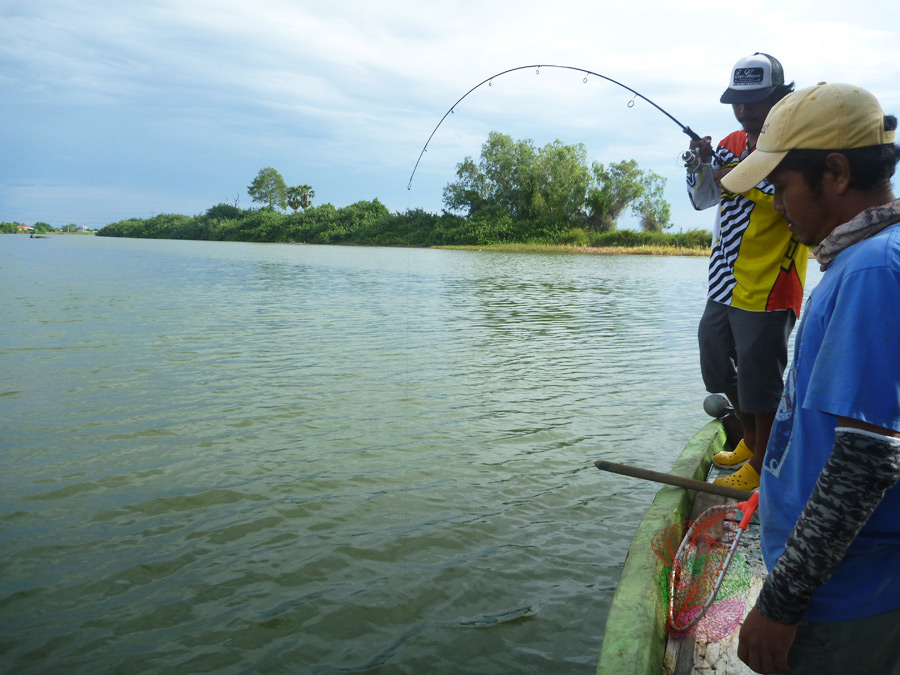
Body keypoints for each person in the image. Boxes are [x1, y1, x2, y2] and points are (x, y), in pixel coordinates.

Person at [719, 82, 900, 674]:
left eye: (782, 186)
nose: (776, 205)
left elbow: (866, 459)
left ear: (838, 173)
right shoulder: (864, 259)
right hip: (847, 590)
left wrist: (779, 602)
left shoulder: (872, 271)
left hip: (840, 603)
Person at [686, 52, 809, 491]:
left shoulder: (794, 145)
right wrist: (701, 165)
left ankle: (762, 460)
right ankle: (751, 439)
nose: (745, 110)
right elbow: (704, 198)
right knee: (716, 362)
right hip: (724, 278)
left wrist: (730, 174)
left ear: (779, 98)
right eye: (738, 100)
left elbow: (769, 188)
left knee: (761, 377)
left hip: (771, 282)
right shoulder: (733, 142)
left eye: (755, 100)